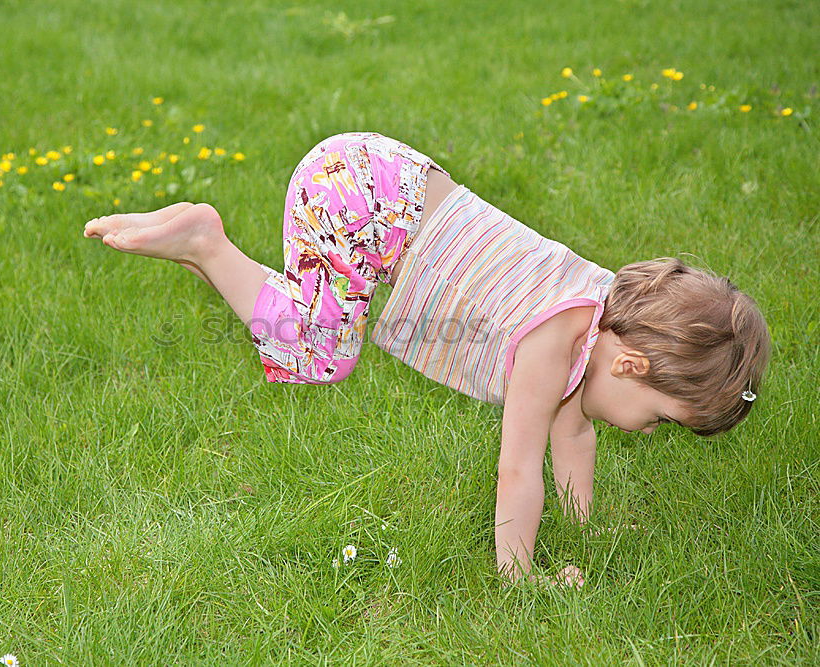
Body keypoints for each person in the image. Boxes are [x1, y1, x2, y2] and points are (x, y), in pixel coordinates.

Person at [82, 132, 770, 587]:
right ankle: (205, 242)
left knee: (305, 326)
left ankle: (202, 250)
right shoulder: (552, 340)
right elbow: (517, 464)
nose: (648, 432)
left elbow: (576, 430)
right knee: (319, 353)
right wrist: (518, 575)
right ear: (632, 367)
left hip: (378, 180)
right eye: (660, 419)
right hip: (361, 198)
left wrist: (591, 533)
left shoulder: (595, 314)